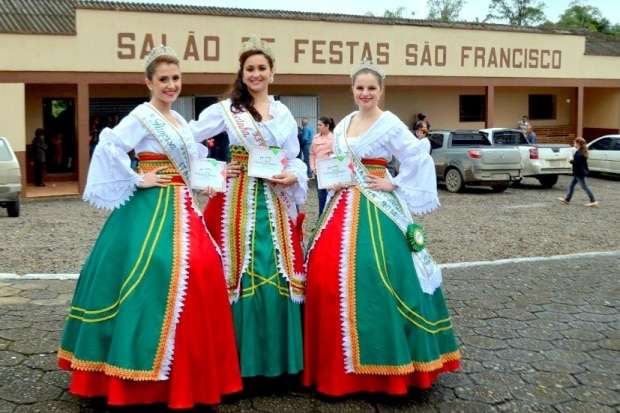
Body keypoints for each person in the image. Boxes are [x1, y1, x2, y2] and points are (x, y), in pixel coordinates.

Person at [58, 46, 242, 409]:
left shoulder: (178, 121)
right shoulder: (142, 116)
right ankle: (137, 374)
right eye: (163, 79)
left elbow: (192, 162)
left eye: (175, 78)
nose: (171, 85)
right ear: (149, 82)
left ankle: (190, 374)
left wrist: (214, 176)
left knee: (202, 270)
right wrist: (136, 179)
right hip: (151, 210)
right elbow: (109, 146)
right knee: (153, 274)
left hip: (183, 206)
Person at [303, 60, 461, 397]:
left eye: (371, 88)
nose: (365, 93)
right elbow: (340, 160)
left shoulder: (389, 123)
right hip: (342, 203)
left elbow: (417, 155)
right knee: (327, 272)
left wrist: (395, 184)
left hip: (376, 207)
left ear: (380, 91)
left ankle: (389, 367)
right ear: (352, 89)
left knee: (378, 272)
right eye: (359, 88)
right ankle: (340, 368)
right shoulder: (345, 122)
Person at [190, 36, 308, 378]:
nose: (256, 74)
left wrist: (291, 176)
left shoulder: (283, 112)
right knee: (235, 268)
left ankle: (281, 362)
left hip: (274, 195)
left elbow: (294, 156)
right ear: (242, 75)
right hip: (236, 196)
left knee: (278, 267)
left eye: (261, 68)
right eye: (249, 69)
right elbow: (190, 137)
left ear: (272, 73)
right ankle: (236, 363)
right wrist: (212, 169)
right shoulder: (227, 110)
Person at [558, 137, 598, 207]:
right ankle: (567, 200)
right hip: (579, 172)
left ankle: (593, 201)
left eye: (575, 143)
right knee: (571, 185)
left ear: (578, 143)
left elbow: (577, 163)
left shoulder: (579, 153)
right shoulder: (581, 151)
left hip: (579, 173)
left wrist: (570, 160)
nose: (574, 144)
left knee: (584, 187)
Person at [309, 116, 335, 215]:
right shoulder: (315, 137)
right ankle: (320, 219)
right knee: (321, 195)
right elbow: (312, 154)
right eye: (318, 125)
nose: (318, 127)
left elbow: (336, 155)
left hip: (329, 171)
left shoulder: (334, 138)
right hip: (317, 170)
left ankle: (329, 219)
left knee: (331, 194)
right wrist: (312, 168)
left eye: (320, 125)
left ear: (327, 126)